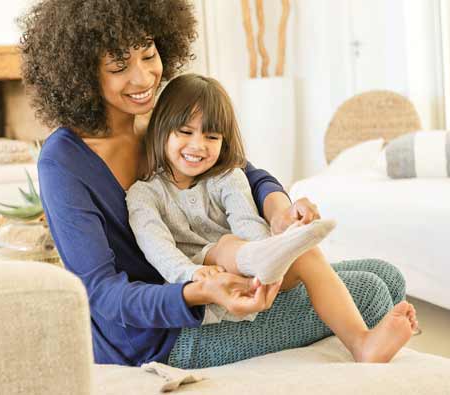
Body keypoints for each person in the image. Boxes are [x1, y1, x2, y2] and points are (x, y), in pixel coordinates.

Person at [20, 0, 418, 368]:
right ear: (81, 71)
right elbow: (103, 293)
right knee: (371, 293)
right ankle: (368, 352)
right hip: (160, 335)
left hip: (224, 280)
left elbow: (241, 172)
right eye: (119, 66)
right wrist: (200, 291)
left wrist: (278, 209)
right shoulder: (64, 162)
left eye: (148, 53)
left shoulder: (158, 115)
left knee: (387, 275)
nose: (143, 78)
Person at [126, 73, 337, 325]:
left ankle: (361, 339)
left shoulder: (228, 176)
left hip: (258, 272)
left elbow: (247, 222)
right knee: (226, 245)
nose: (198, 145)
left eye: (211, 137)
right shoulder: (144, 194)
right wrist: (191, 273)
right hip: (205, 286)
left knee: (306, 250)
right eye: (185, 132)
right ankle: (266, 256)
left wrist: (272, 247)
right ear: (161, 129)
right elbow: (157, 248)